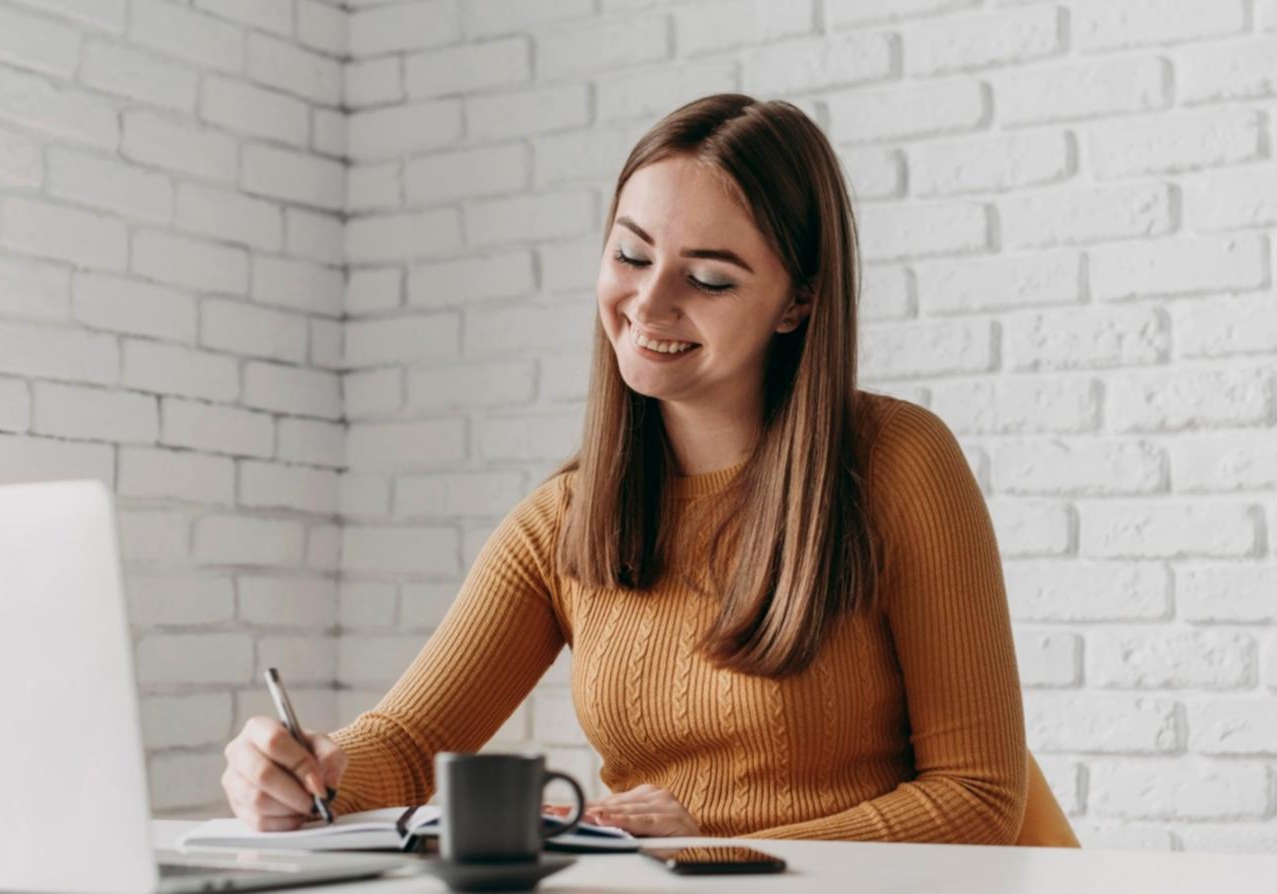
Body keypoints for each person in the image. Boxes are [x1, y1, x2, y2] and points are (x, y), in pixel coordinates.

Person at [219, 93, 1078, 846]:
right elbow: (409, 743)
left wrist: (713, 847)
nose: (649, 302)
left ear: (799, 302)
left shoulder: (896, 463)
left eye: (707, 278)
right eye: (631, 256)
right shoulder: (562, 520)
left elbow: (977, 798)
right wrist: (311, 771)